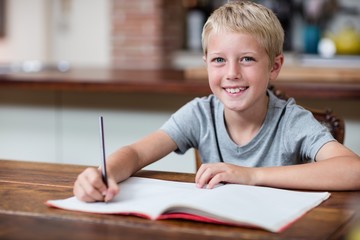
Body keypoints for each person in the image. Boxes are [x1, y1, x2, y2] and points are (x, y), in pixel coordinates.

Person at [73, 1, 360, 202]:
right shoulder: (200, 113)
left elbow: (354, 170)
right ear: (206, 64)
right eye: (219, 60)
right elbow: (135, 154)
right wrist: (101, 175)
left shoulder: (292, 121)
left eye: (247, 59)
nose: (232, 73)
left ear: (274, 66)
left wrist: (250, 175)